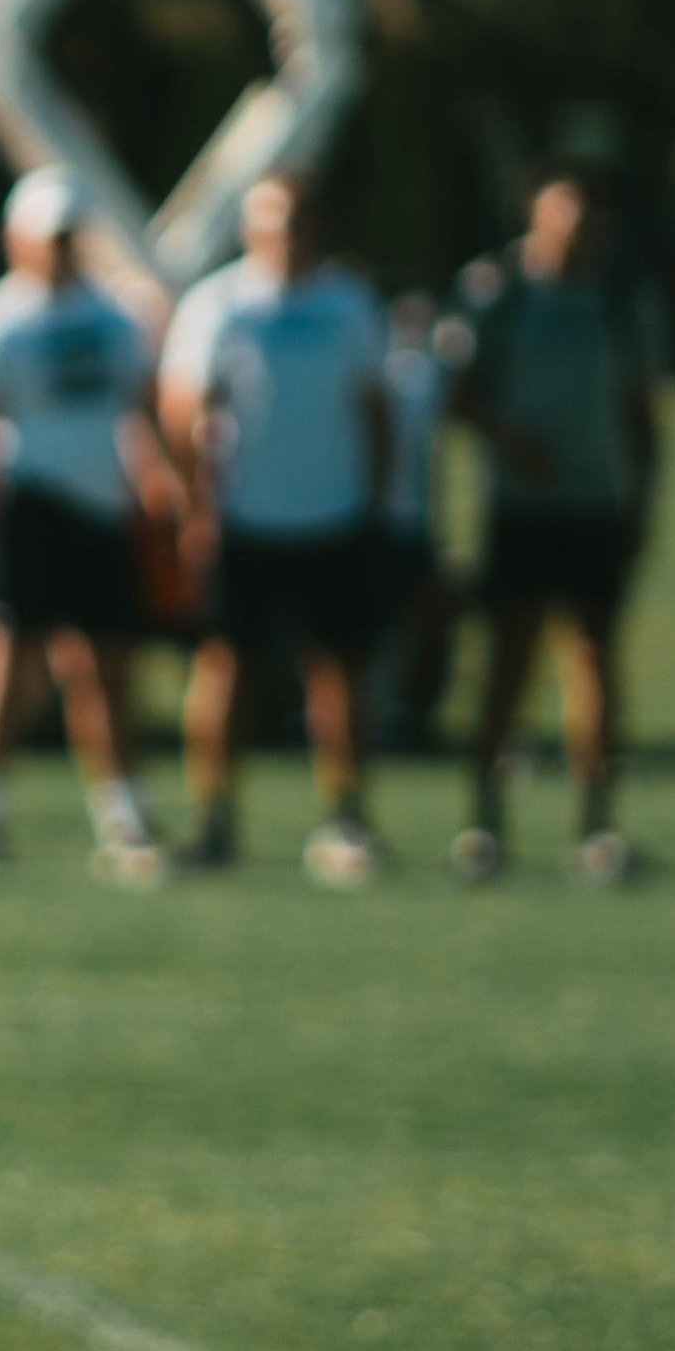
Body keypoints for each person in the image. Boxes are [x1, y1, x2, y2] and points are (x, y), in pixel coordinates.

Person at [0, 168, 168, 887]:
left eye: (69, 237)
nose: (60, 251)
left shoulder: (119, 318)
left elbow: (141, 410)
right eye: (48, 237)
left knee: (108, 668)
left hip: (102, 509)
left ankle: (123, 813)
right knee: (3, 662)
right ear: (18, 239)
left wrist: (161, 484)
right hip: (29, 505)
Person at [157, 171, 391, 885]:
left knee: (339, 668)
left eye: (301, 222)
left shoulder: (349, 306)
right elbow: (180, 409)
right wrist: (197, 507)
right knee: (228, 667)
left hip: (332, 513)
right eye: (276, 223)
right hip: (245, 519)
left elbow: (376, 412)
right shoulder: (219, 304)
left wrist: (375, 503)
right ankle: (215, 815)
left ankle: (346, 814)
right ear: (251, 230)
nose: (290, 238)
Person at [448, 165, 663, 885]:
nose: (577, 240)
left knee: (595, 658)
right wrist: (512, 440)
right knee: (509, 661)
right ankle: (484, 817)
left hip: (595, 504)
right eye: (564, 223)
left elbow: (642, 413)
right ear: (536, 219)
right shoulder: (500, 293)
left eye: (588, 226)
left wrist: (641, 505)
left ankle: (596, 822)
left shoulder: (621, 297)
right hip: (521, 508)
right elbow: (460, 397)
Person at [368, 287, 457, 757]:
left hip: (405, 523)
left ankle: (399, 713)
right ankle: (385, 713)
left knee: (409, 626)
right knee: (379, 630)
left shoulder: (421, 373)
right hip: (381, 522)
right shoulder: (402, 373)